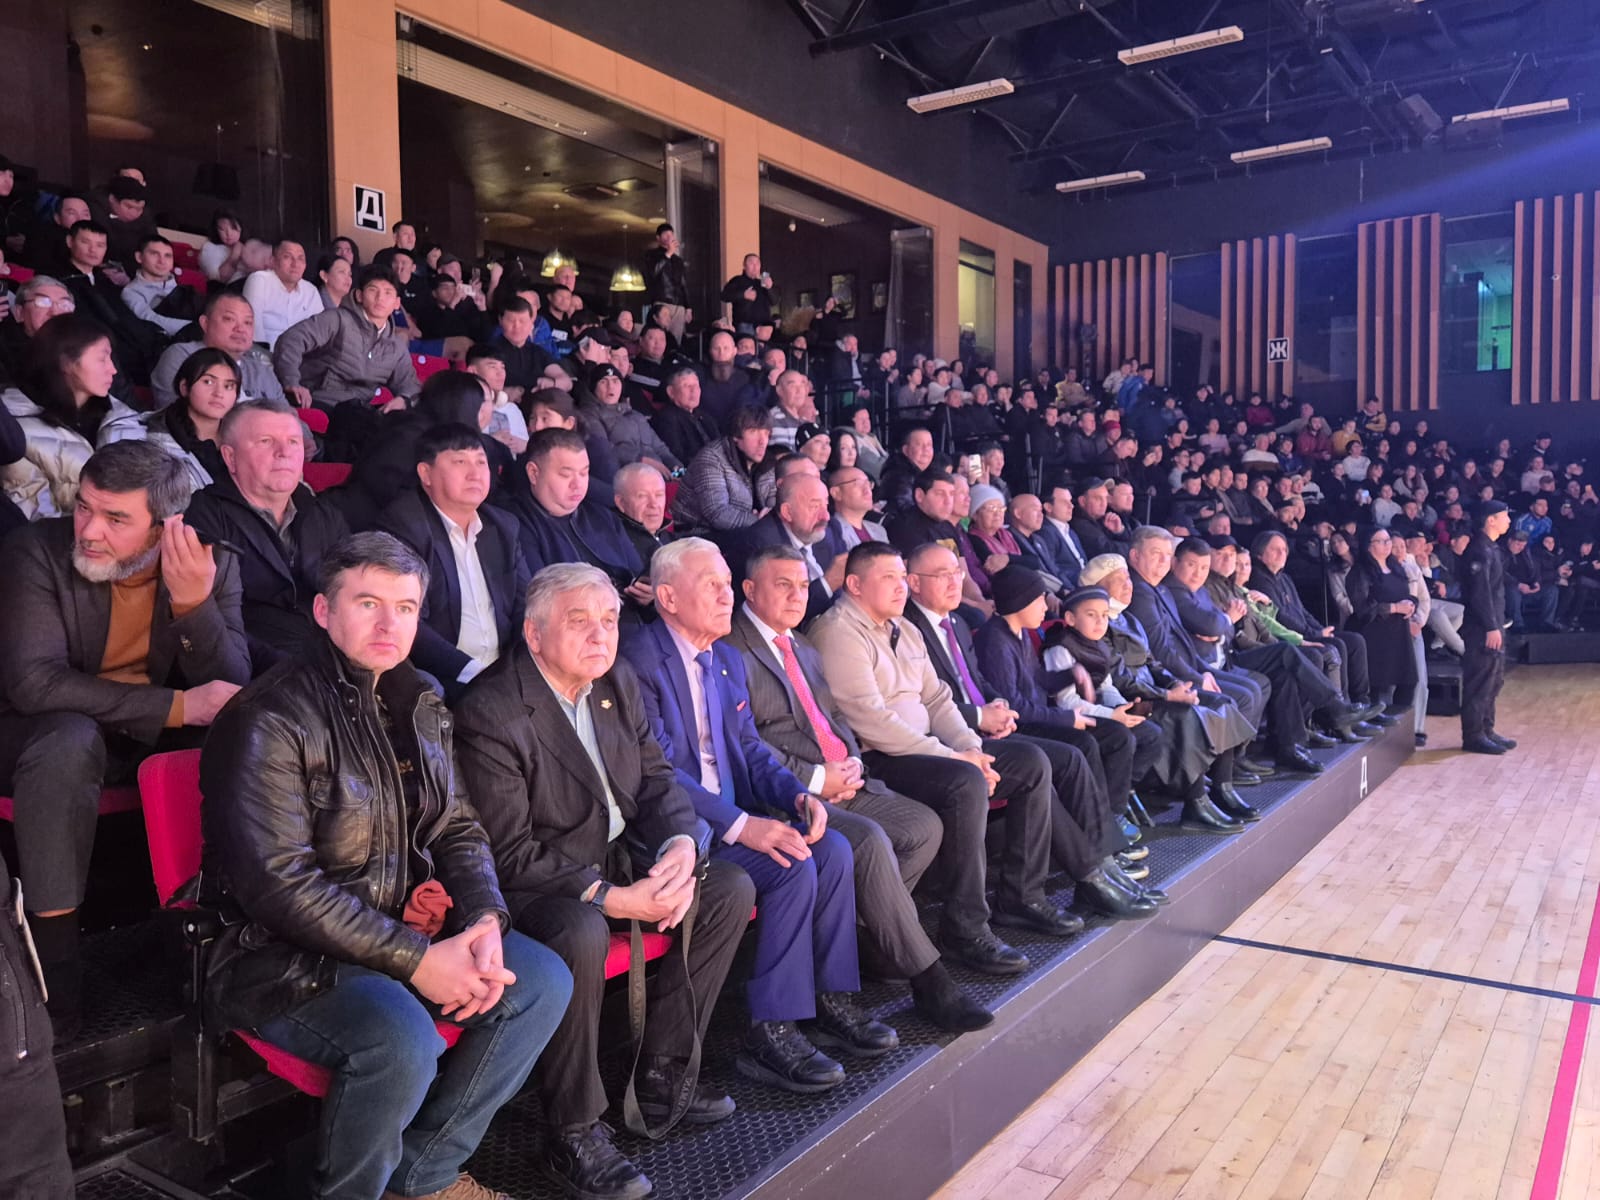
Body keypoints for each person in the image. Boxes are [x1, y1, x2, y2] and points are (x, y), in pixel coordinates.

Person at [200, 532, 572, 1200]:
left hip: (396, 930)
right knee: (400, 1041)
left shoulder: (420, 695)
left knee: (541, 980)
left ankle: (421, 1177)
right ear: (323, 611)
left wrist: (484, 920)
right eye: (367, 603)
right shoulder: (268, 716)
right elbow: (280, 887)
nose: (388, 624)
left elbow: (458, 824)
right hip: (278, 956)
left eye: (405, 608)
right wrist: (419, 961)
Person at [455, 563, 754, 1199]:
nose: (600, 635)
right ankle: (573, 1130)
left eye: (610, 620)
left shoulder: (615, 680)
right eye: (579, 621)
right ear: (534, 635)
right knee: (582, 930)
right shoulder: (490, 710)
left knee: (728, 888)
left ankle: (663, 1071)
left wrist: (679, 846)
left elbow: (657, 780)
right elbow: (507, 853)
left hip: (614, 853)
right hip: (536, 882)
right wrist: (615, 897)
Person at [622, 539, 896, 1092]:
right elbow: (659, 772)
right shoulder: (639, 661)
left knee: (833, 848)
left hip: (734, 814)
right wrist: (743, 825)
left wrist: (797, 796)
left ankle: (828, 1001)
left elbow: (749, 748)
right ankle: (771, 1030)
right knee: (792, 864)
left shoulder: (726, 657)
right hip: (675, 829)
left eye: (728, 583)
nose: (727, 596)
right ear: (668, 598)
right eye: (713, 586)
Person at [0, 441, 250, 1037]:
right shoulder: (35, 551)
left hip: (136, 734)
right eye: (85, 507)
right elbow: (34, 683)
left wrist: (193, 605)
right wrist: (178, 706)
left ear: (166, 529)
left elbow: (230, 686)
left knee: (240, 741)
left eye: (116, 519)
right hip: (30, 731)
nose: (89, 530)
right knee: (69, 741)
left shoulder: (211, 564)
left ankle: (215, 951)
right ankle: (55, 979)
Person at [728, 545, 993, 1030]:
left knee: (923, 827)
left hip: (841, 777)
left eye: (802, 585)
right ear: (749, 589)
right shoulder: (731, 649)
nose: (797, 595)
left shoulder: (801, 646)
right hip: (784, 795)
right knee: (867, 842)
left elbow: (834, 718)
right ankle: (928, 980)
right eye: (782, 585)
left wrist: (849, 761)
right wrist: (814, 780)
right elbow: (747, 744)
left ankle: (873, 941)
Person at [809, 542, 1085, 975]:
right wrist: (956, 758)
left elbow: (938, 700)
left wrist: (971, 748)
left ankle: (1022, 898)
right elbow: (872, 722)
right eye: (888, 578)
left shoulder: (904, 627)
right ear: (855, 585)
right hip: (879, 758)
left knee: (1030, 762)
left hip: (928, 748)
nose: (900, 587)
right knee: (965, 781)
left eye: (902, 577)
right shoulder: (838, 632)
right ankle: (964, 929)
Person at [184, 399, 350, 673]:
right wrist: (301, 671)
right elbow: (213, 622)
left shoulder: (323, 513)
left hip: (334, 653)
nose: (284, 452)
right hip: (259, 671)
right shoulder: (203, 516)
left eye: (293, 442)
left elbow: (353, 593)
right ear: (230, 457)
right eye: (265, 441)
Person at [376, 424, 531, 701]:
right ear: (426, 473)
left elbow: (526, 605)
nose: (475, 473)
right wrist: (475, 673)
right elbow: (408, 622)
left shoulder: (503, 526)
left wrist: (516, 669)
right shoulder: (405, 525)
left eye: (481, 462)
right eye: (460, 462)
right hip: (445, 676)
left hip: (504, 673)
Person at [3, 312, 143, 520]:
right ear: (66, 363)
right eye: (102, 359)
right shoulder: (14, 431)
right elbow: (38, 519)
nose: (113, 370)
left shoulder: (119, 415)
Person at [500, 428, 649, 613]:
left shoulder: (602, 516)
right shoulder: (514, 524)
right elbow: (538, 599)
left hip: (630, 617)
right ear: (533, 473)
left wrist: (648, 595)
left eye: (584, 473)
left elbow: (638, 574)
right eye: (566, 474)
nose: (578, 484)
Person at [274, 264, 420, 415]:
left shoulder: (395, 346)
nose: (380, 298)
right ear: (359, 295)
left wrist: (404, 399)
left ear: (397, 303)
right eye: (373, 290)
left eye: (388, 293)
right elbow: (291, 340)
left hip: (359, 410)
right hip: (318, 400)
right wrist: (291, 381)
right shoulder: (337, 320)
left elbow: (410, 384)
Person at [727, 472, 841, 627]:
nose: (825, 516)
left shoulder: (824, 532)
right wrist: (828, 583)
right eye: (814, 507)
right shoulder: (762, 545)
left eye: (826, 505)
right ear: (787, 512)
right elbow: (783, 611)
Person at [151, 289, 286, 409]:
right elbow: (177, 415)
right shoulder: (181, 356)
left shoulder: (262, 371)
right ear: (205, 323)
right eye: (229, 319)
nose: (241, 329)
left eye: (248, 322)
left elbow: (289, 417)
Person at [128, 347, 238, 488]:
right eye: (208, 382)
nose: (219, 393)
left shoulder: (243, 435)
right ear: (184, 387)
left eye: (228, 386)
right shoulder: (156, 440)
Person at [1342, 528, 1419, 716]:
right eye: (1381, 541)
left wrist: (1412, 603)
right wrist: (1394, 608)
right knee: (1376, 688)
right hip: (1373, 635)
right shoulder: (1359, 572)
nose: (1387, 545)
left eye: (1388, 540)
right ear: (1369, 546)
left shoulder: (1396, 567)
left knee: (1408, 682)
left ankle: (1401, 725)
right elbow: (1362, 608)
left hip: (1399, 634)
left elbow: (1406, 593)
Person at [1459, 500, 1514, 754]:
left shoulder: (1491, 548)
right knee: (1480, 680)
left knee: (1493, 680)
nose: (1508, 521)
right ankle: (1473, 735)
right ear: (1490, 520)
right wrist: (1491, 626)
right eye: (1504, 516)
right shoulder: (1479, 550)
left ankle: (1487, 729)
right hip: (1481, 627)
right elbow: (1480, 594)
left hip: (1494, 623)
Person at [671, 405, 775, 533]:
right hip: (698, 533)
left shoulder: (767, 462)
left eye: (766, 433)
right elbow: (717, 513)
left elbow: (773, 500)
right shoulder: (712, 459)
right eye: (753, 432)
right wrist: (761, 522)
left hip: (745, 531)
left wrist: (771, 515)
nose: (762, 441)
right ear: (736, 436)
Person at [581, 361, 679, 475]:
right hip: (627, 477)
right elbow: (603, 450)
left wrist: (677, 467)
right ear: (594, 388)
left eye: (615, 381)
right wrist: (641, 460)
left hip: (657, 475)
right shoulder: (589, 415)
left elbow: (660, 448)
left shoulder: (636, 415)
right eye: (603, 382)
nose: (611, 386)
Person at [241, 238, 321, 349]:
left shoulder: (311, 290)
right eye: (287, 257)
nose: (295, 264)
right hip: (267, 354)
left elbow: (320, 331)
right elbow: (254, 328)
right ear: (273, 261)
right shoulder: (259, 280)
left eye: (300, 258)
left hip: (303, 355)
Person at [650, 363, 719, 467]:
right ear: (671, 392)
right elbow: (676, 457)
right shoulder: (666, 420)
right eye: (686, 386)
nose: (693, 391)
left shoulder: (705, 416)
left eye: (696, 385)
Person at [613, 461, 673, 567]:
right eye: (642, 496)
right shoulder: (614, 545)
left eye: (659, 495)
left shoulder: (672, 539)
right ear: (621, 503)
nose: (653, 504)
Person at [643, 223, 691, 341]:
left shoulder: (678, 260)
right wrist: (668, 254)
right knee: (661, 335)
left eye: (671, 235)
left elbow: (683, 284)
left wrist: (688, 307)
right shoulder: (651, 255)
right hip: (662, 302)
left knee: (676, 339)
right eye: (666, 235)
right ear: (658, 238)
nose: (669, 237)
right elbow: (653, 273)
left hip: (678, 305)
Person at [721, 253, 775, 339]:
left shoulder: (762, 283)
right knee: (746, 346)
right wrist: (743, 295)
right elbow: (724, 296)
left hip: (763, 327)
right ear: (744, 266)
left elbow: (774, 301)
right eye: (751, 263)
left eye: (757, 263)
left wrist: (770, 288)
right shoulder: (737, 280)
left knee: (763, 347)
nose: (755, 266)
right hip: (745, 326)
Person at [198, 209, 247, 284]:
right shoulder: (209, 248)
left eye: (233, 228)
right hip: (225, 289)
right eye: (222, 229)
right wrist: (235, 254)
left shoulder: (248, 246)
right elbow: (219, 280)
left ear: (241, 228)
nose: (229, 234)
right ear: (216, 230)